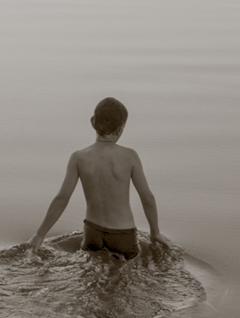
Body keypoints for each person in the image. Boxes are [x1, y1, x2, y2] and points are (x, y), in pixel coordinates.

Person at [28, 97, 164, 260]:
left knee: (93, 271)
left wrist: (40, 234)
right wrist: (155, 232)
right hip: (122, 234)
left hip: (92, 232)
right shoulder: (130, 156)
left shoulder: (78, 157)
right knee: (124, 276)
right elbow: (147, 198)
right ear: (121, 128)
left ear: (93, 122)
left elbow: (61, 198)